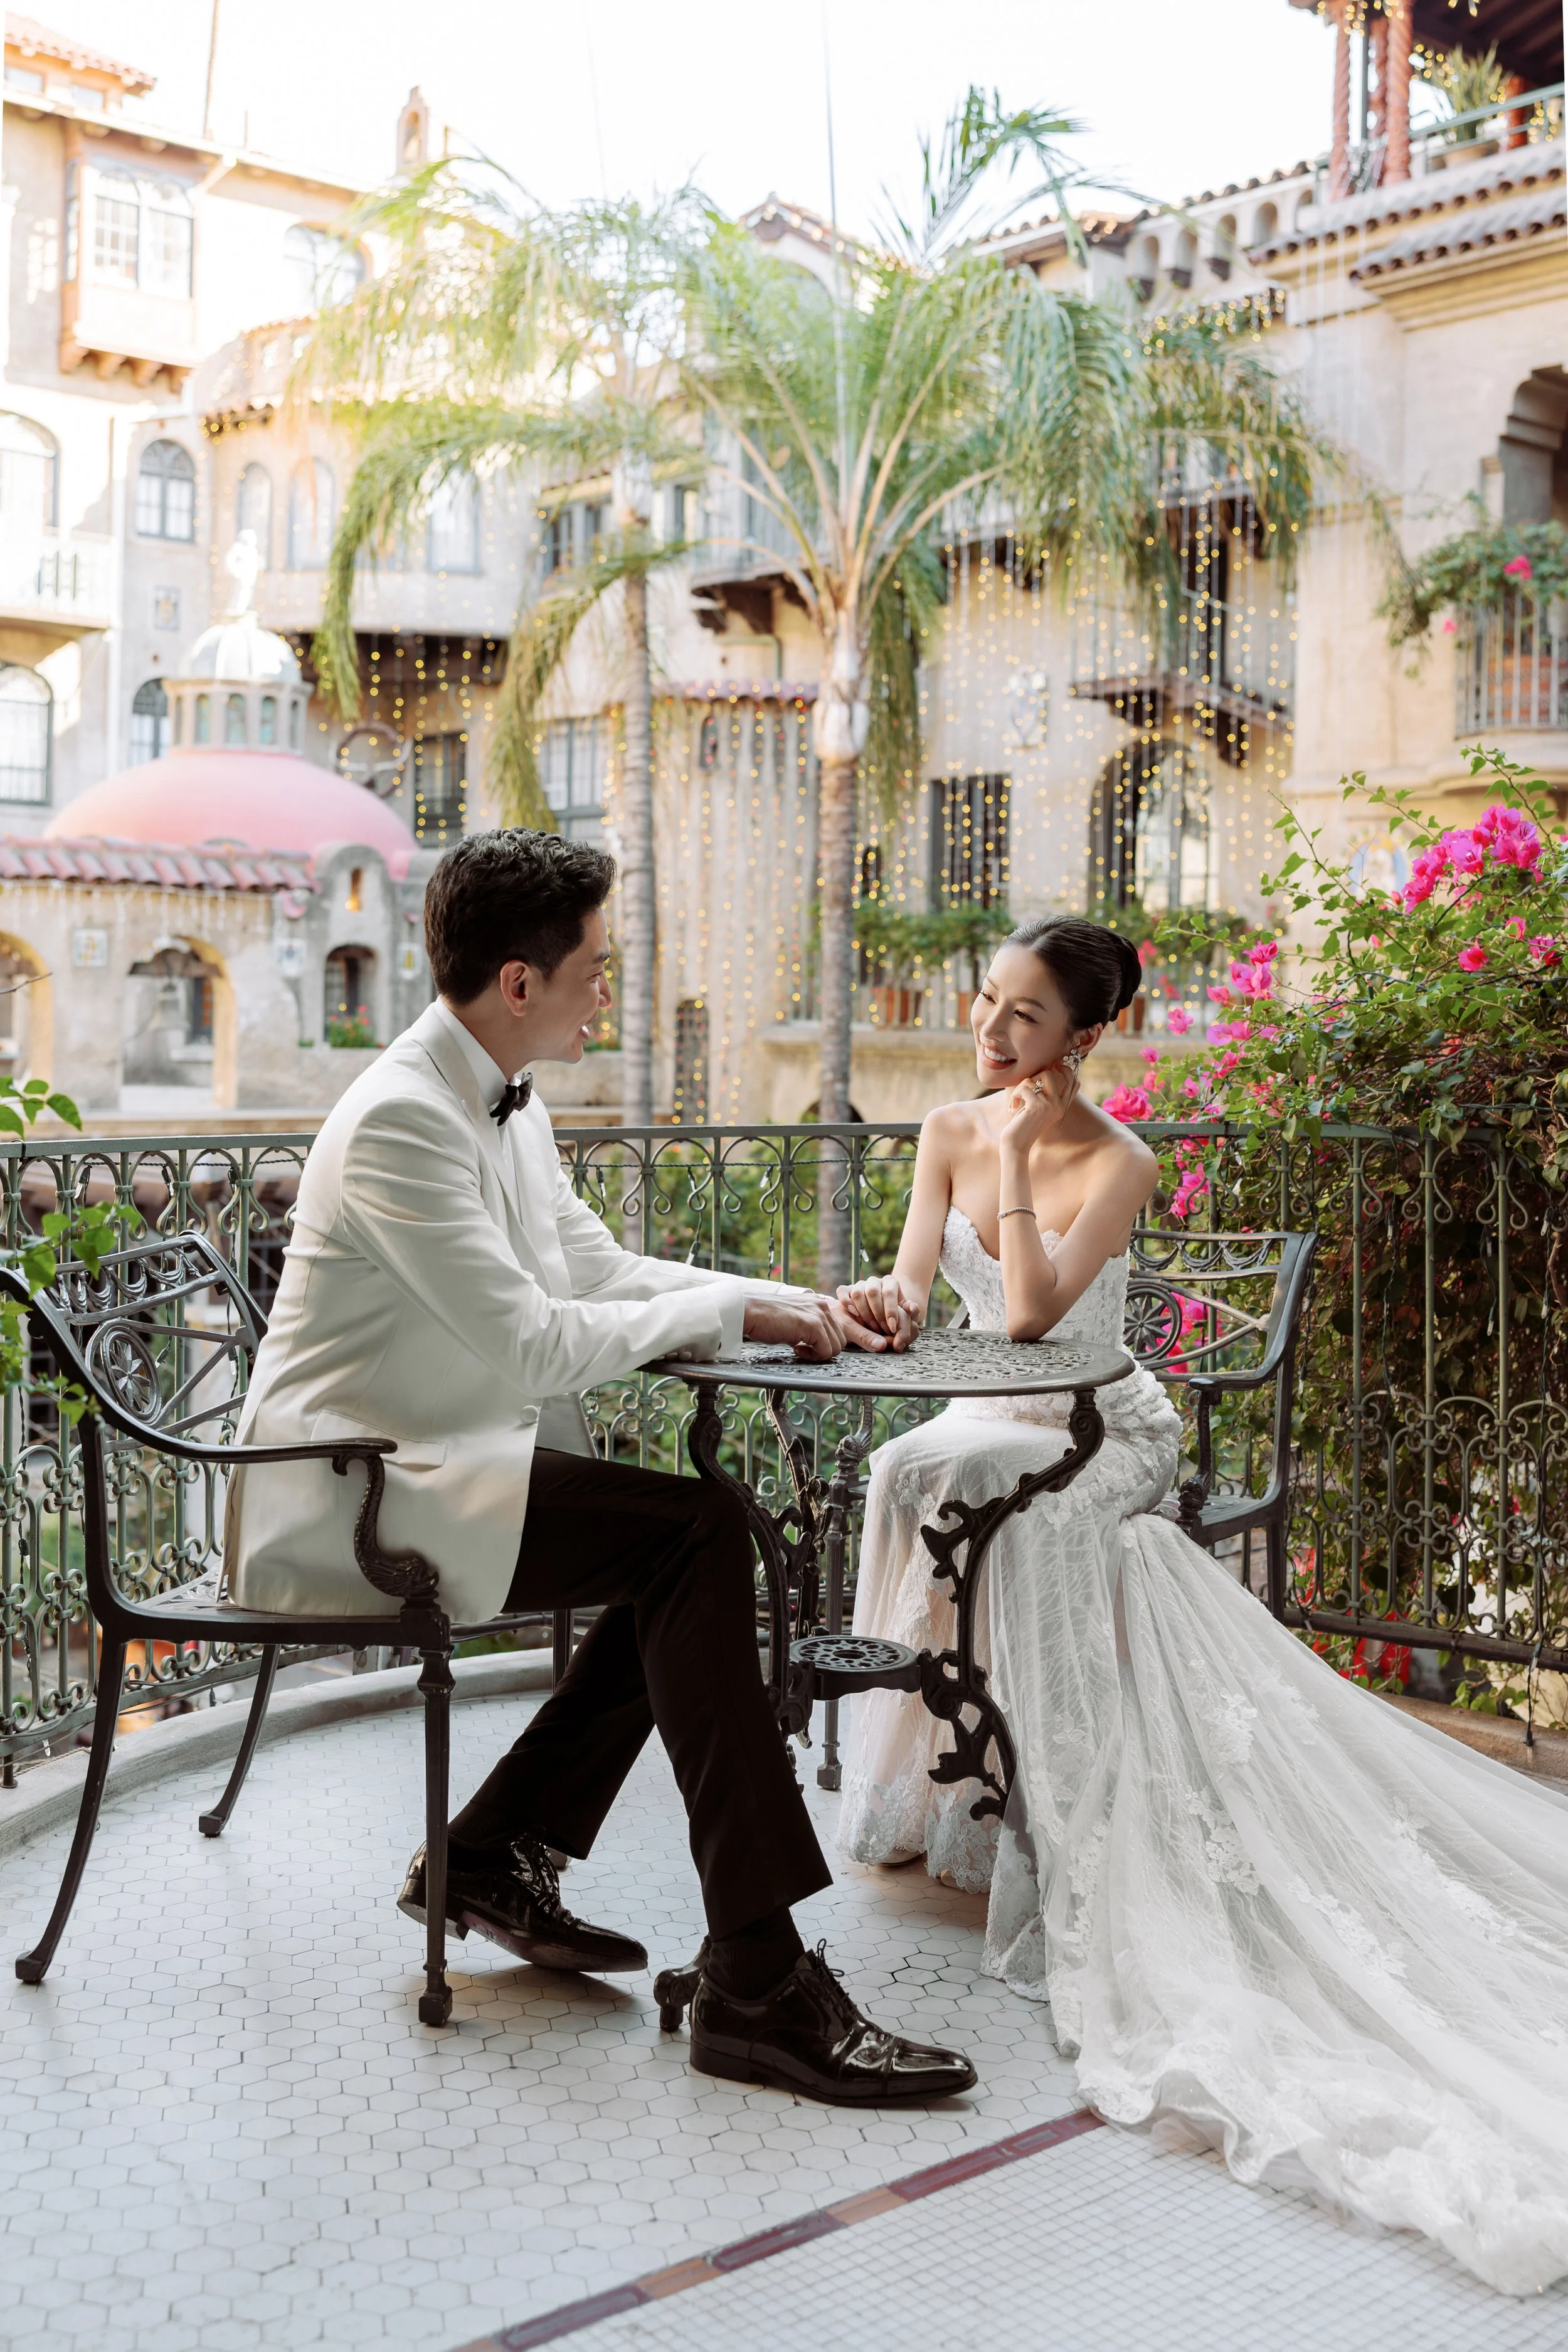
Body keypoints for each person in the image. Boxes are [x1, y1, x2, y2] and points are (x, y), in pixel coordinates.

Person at [836, 914, 1568, 2294]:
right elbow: (930, 1302)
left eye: (1025, 1019)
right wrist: (882, 1295)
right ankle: (954, 1782)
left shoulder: (1116, 1158)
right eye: (985, 1006)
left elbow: (1040, 1319)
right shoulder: (941, 1126)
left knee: (1031, 1524)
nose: (990, 1037)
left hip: (1102, 1427)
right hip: (987, 1412)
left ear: (1085, 1037)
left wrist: (1005, 1162)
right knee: (900, 1460)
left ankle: (1066, 1805)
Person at [230, 828, 975, 2107]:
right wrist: (736, 1320)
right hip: (351, 1490)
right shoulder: (406, 1115)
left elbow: (593, 1270)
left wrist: (774, 1298)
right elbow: (530, 1341)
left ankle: (502, 1854)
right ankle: (753, 1974)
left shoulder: (500, 1097)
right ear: (519, 983)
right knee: (689, 1536)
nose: (607, 986)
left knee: (682, 1541)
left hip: (439, 1463)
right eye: (596, 963)